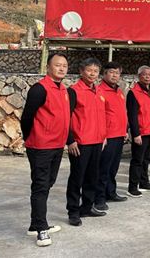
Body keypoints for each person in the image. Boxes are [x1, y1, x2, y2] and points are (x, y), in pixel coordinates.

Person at [20, 53, 71, 247]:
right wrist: (30, 138)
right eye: (57, 65)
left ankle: (36, 223)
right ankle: (41, 229)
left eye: (64, 66)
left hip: (57, 145)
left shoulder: (63, 89)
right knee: (40, 186)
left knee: (47, 183)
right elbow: (26, 118)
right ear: (48, 67)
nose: (61, 69)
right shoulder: (39, 89)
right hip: (41, 146)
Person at [66, 58, 107, 227]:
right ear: (81, 71)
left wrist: (103, 136)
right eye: (89, 70)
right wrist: (70, 140)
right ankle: (73, 211)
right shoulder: (74, 91)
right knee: (77, 178)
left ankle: (87, 207)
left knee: (92, 177)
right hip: (80, 143)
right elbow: (65, 117)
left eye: (96, 71)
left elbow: (101, 116)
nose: (92, 74)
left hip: (97, 141)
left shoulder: (98, 91)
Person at [94, 62, 128, 211]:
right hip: (107, 136)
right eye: (112, 72)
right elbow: (98, 115)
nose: (115, 75)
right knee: (103, 169)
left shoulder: (118, 91)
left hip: (119, 134)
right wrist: (102, 135)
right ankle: (99, 198)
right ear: (104, 74)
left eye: (117, 73)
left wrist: (125, 129)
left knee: (113, 168)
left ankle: (111, 192)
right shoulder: (99, 90)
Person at [126, 65, 150, 197]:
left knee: (147, 159)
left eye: (149, 74)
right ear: (139, 76)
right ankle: (132, 187)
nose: (147, 76)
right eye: (144, 74)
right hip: (141, 133)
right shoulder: (133, 93)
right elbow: (132, 115)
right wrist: (135, 134)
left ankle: (144, 182)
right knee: (137, 160)